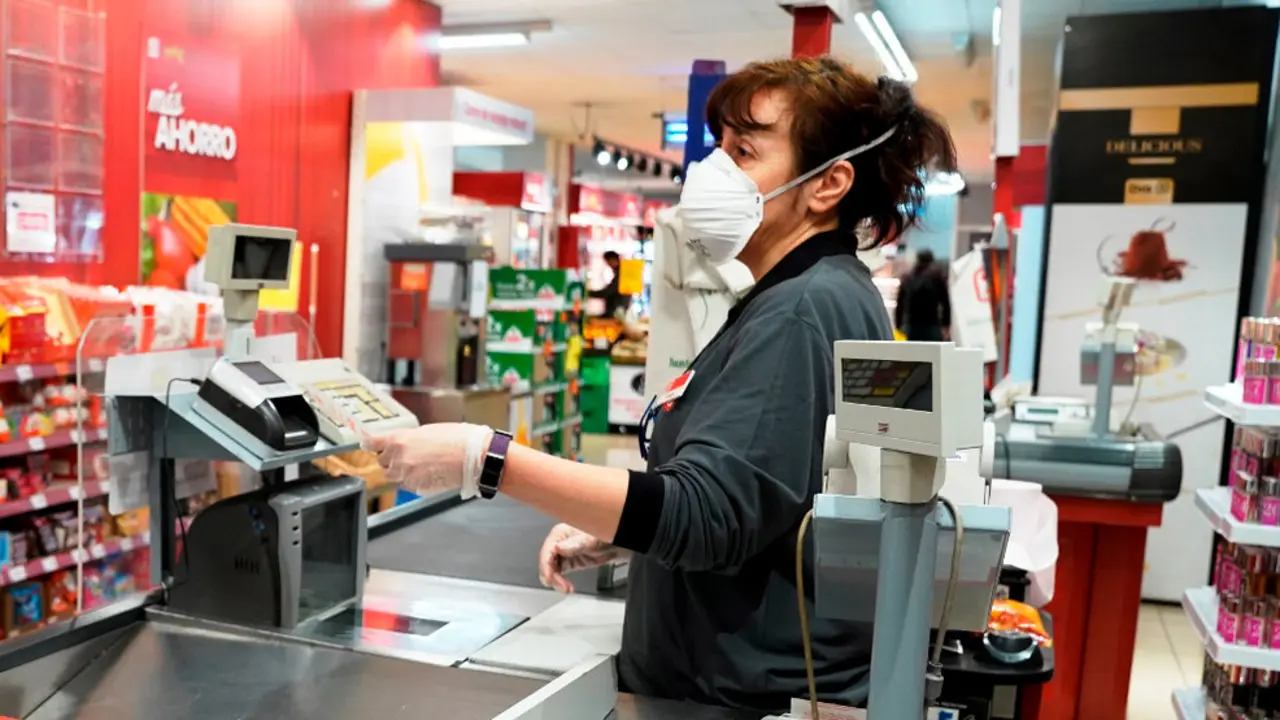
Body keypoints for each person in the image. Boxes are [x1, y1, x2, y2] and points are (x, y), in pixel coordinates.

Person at [365, 56, 957, 713]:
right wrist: (627, 531)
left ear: (828, 184)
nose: (714, 171)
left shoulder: (799, 310)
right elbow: (769, 496)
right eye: (717, 149)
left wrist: (485, 458)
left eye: (745, 151)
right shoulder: (821, 293)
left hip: (735, 697)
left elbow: (707, 514)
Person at [894, 248, 952, 341]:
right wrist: (946, 324)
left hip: (911, 326)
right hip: (932, 325)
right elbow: (945, 302)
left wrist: (898, 325)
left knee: (914, 354)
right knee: (933, 354)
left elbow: (900, 304)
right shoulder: (936, 277)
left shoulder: (908, 278)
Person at [589, 250, 631, 319]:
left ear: (613, 260)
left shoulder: (621, 275)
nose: (609, 265)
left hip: (615, 313)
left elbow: (607, 292)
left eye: (608, 262)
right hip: (617, 312)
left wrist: (589, 293)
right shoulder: (622, 274)